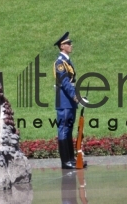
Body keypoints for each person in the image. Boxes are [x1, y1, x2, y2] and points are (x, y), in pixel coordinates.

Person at [54, 32, 87, 169]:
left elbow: (72, 83)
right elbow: (65, 83)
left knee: (69, 128)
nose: (70, 45)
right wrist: (76, 97)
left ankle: (71, 159)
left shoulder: (67, 61)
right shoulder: (60, 63)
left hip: (69, 100)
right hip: (64, 100)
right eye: (68, 43)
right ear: (62, 46)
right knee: (64, 129)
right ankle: (65, 161)